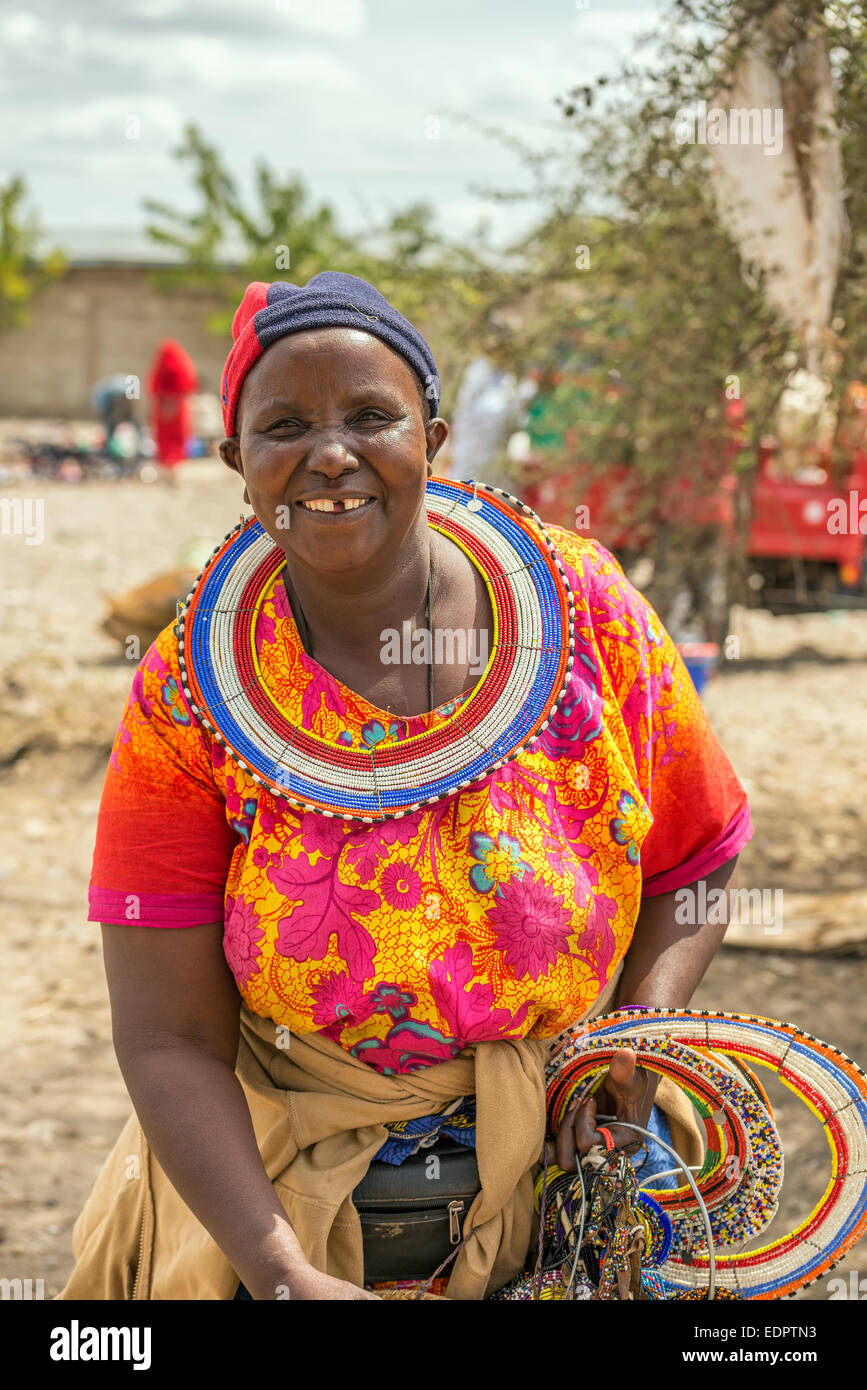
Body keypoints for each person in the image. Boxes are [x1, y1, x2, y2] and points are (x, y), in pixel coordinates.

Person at [59, 272, 751, 1301]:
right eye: (284, 424)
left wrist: (634, 1045)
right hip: (290, 1201)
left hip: (579, 1175)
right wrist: (283, 1271)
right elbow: (167, 1034)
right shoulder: (190, 693)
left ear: (431, 436)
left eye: (371, 417)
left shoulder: (581, 610)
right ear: (236, 464)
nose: (330, 453)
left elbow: (699, 859)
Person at [146, 338, 198, 482]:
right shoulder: (183, 366)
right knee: (175, 440)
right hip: (178, 409)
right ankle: (174, 471)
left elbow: (153, 386)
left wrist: (165, 403)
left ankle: (169, 471)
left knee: (166, 439)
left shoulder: (161, 367)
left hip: (163, 409)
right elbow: (188, 385)